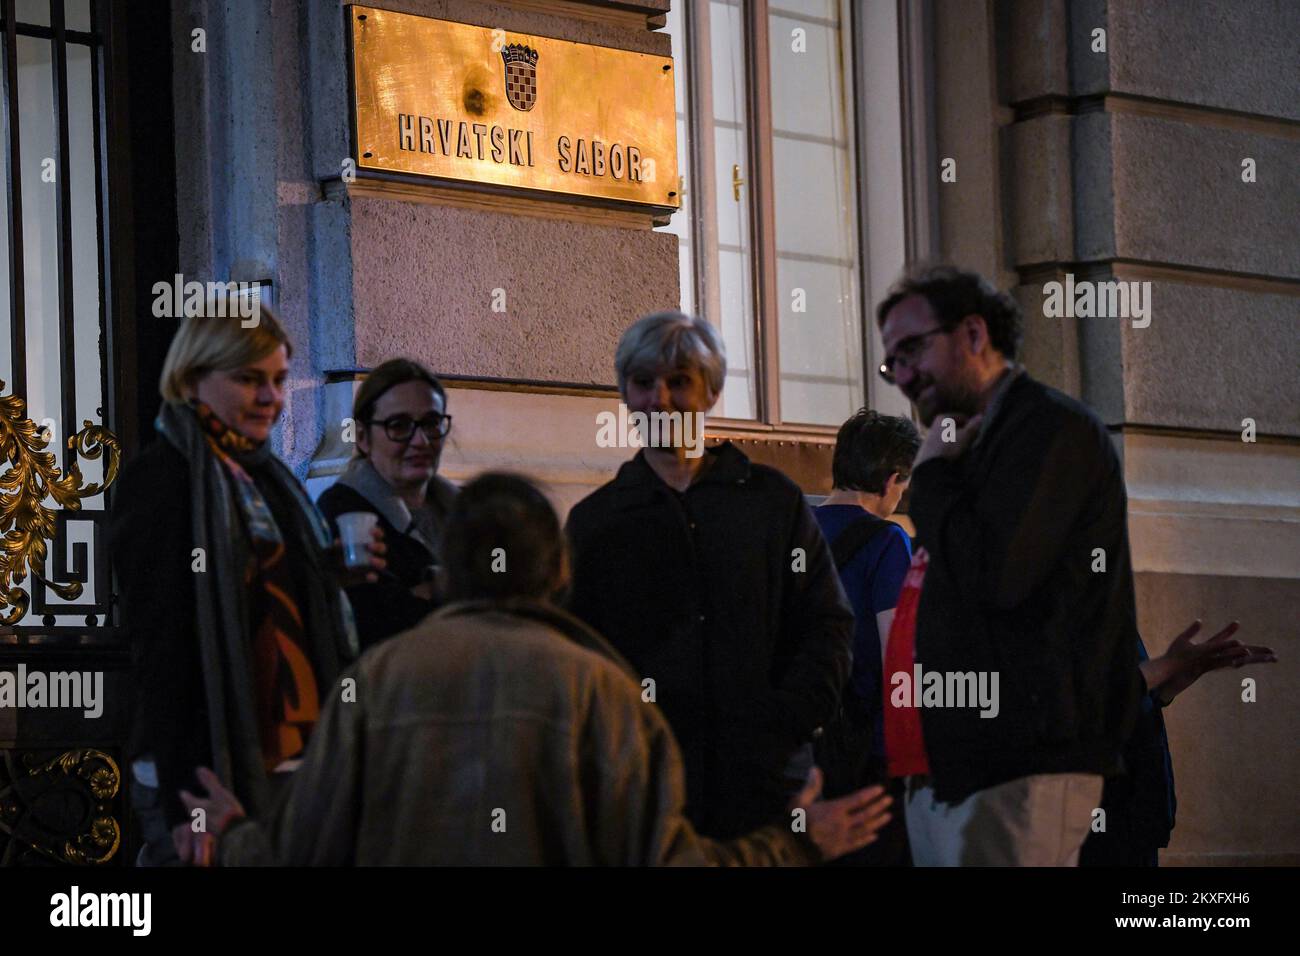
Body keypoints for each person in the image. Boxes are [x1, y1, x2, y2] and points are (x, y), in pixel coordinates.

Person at [175, 474, 894, 866]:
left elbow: (304, 850)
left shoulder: (379, 681)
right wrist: (798, 842)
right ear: (557, 569)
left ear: (448, 572)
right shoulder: (602, 690)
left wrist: (233, 833)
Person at [875, 265, 1141, 866]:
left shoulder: (1049, 429)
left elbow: (997, 574)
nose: (905, 376)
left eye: (913, 349)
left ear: (974, 334)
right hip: (961, 766)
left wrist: (933, 475)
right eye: (893, 363)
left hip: (1025, 758)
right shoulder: (969, 441)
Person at [107, 299, 380, 866]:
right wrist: (191, 802)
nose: (271, 398)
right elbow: (163, 645)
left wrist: (329, 573)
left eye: (279, 380)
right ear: (192, 377)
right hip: (205, 768)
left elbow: (268, 599)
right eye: (249, 379)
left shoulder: (266, 476)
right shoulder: (162, 480)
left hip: (289, 760)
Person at [565, 311, 854, 839]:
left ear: (711, 390)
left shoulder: (772, 502)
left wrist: (783, 723)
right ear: (625, 394)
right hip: (644, 789)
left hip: (765, 783)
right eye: (644, 382)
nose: (660, 399)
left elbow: (826, 623)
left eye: (678, 381)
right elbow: (579, 656)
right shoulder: (595, 521)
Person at [813, 409, 920, 866]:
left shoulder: (796, 529)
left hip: (804, 749)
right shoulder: (888, 542)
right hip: (867, 757)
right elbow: (899, 659)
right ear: (891, 478)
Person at [1082, 619, 1276, 866]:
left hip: (1134, 814)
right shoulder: (1060, 596)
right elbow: (1070, 701)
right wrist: (1168, 666)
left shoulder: (1105, 601)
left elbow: (1120, 699)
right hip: (1094, 818)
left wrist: (1167, 685)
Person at [317, 359, 458, 650]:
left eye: (431, 424)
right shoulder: (345, 512)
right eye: (399, 425)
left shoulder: (467, 511)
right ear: (362, 437)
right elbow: (380, 624)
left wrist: (429, 591)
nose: (420, 441)